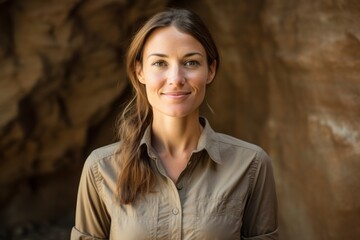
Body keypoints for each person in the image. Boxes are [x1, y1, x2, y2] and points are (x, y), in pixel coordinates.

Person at [71, 8, 278, 240]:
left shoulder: (251, 165)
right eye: (160, 63)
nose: (176, 79)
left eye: (190, 63)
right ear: (140, 71)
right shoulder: (101, 169)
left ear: (211, 70)